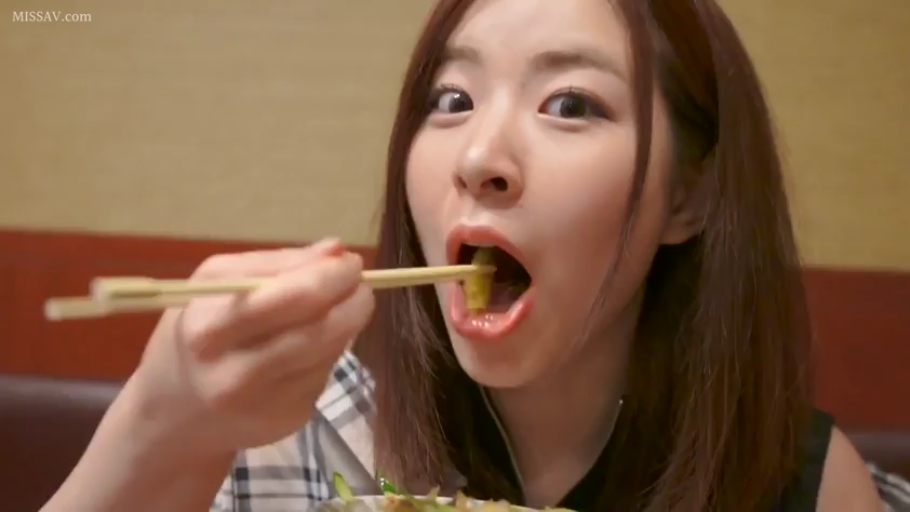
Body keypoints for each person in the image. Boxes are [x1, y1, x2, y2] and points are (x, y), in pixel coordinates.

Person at [40, 0, 889, 510]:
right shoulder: (295, 428)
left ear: (687, 196)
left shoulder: (796, 486)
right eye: (451, 98)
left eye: (569, 103)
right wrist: (164, 422)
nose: (479, 155)